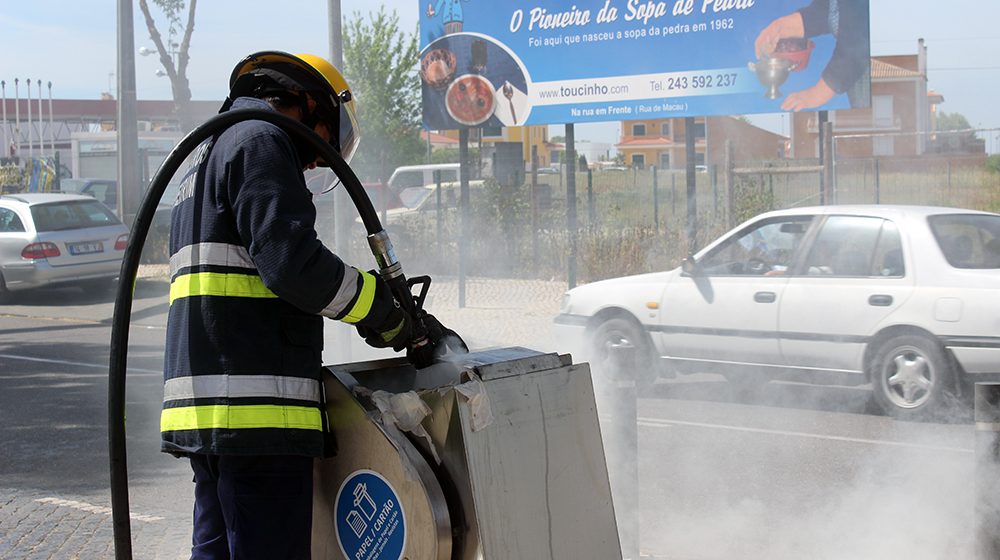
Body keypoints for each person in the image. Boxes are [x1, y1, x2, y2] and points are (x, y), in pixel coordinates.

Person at [162, 51, 415, 560]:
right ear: (305, 103)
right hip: (255, 414)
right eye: (326, 136)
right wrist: (382, 311)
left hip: (212, 412)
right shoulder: (261, 139)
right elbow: (292, 264)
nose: (321, 158)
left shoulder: (206, 155)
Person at [754, 0, 870, 111]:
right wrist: (780, 27)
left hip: (868, 73)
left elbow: (857, 39)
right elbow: (830, 10)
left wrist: (818, 93)